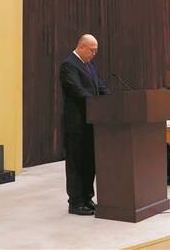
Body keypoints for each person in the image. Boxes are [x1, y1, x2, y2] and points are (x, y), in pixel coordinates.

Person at [59, 34, 110, 216]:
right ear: (81, 46)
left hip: (90, 122)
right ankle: (75, 202)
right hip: (76, 124)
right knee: (76, 163)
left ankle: (87, 198)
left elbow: (99, 87)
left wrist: (113, 98)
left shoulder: (89, 65)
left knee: (89, 162)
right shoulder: (68, 65)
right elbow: (76, 90)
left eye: (96, 50)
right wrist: (96, 101)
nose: (94, 54)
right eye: (92, 50)